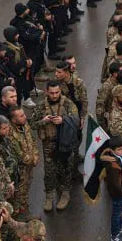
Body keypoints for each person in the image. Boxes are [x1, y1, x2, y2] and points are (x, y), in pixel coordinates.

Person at [34, 81, 80, 212]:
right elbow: (31, 123)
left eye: (57, 92)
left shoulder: (68, 104)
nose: (54, 96)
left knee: (66, 168)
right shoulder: (41, 106)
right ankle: (49, 196)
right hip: (49, 143)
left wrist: (63, 120)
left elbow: (77, 120)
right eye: (51, 93)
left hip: (65, 143)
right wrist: (44, 121)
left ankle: (65, 193)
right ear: (46, 91)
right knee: (49, 171)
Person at [101, 135, 122, 241]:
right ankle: (114, 235)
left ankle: (120, 227)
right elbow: (115, 184)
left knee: (120, 211)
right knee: (117, 214)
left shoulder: (120, 157)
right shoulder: (112, 166)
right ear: (112, 150)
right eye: (119, 149)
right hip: (118, 193)